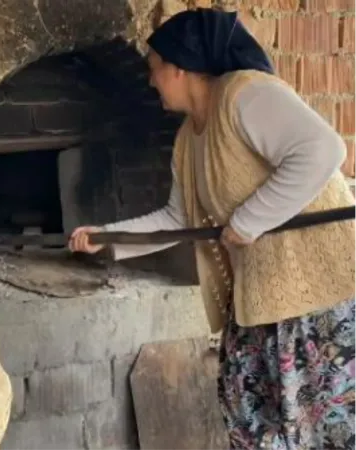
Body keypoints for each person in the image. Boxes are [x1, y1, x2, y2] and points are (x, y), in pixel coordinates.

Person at [69, 7, 356, 450]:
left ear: (182, 68)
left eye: (155, 70)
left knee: (325, 430)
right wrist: (105, 237)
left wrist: (248, 221)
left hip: (317, 297)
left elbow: (323, 150)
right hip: (261, 299)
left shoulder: (246, 93)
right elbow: (177, 220)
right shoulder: (188, 139)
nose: (150, 81)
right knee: (248, 417)